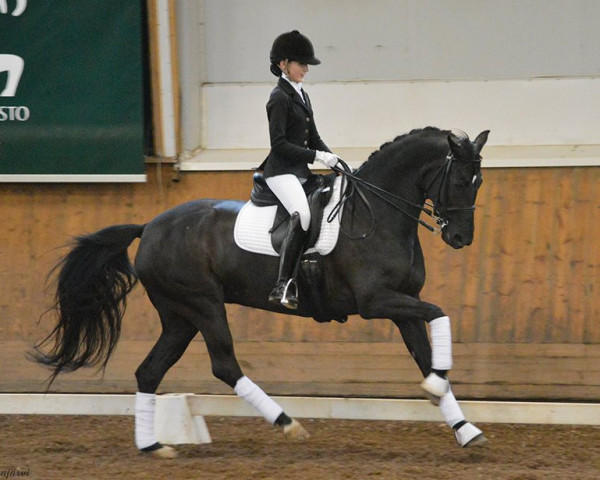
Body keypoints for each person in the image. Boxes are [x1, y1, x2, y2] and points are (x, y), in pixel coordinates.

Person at [259, 30, 339, 310]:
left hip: (300, 171)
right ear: (283, 64)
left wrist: (333, 158)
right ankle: (283, 284)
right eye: (301, 63)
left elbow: (313, 138)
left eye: (307, 64)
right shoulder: (278, 97)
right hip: (281, 172)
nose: (306, 69)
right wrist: (317, 156)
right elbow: (279, 144)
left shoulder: (301, 95)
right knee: (303, 215)